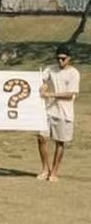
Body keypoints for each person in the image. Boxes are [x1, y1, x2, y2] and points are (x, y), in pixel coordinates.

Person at [37, 45, 80, 182]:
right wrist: (43, 84)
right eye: (58, 58)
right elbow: (41, 79)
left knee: (60, 142)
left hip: (64, 113)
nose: (60, 61)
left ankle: (54, 172)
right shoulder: (51, 69)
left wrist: (50, 94)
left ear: (69, 58)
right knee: (41, 137)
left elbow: (70, 94)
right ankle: (45, 169)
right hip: (49, 110)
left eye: (63, 59)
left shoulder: (74, 73)